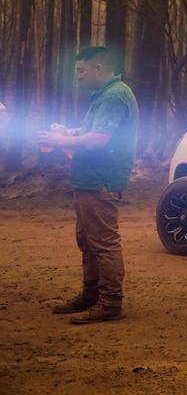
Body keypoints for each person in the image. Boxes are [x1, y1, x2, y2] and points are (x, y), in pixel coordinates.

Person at [37, 47, 138, 324]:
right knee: (88, 241)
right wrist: (68, 133)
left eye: (81, 71)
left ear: (99, 67)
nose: (78, 77)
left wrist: (60, 141)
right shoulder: (104, 96)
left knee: (103, 243)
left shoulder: (114, 95)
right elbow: (89, 132)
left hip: (100, 181)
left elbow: (97, 140)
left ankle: (110, 302)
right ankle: (92, 295)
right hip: (90, 179)